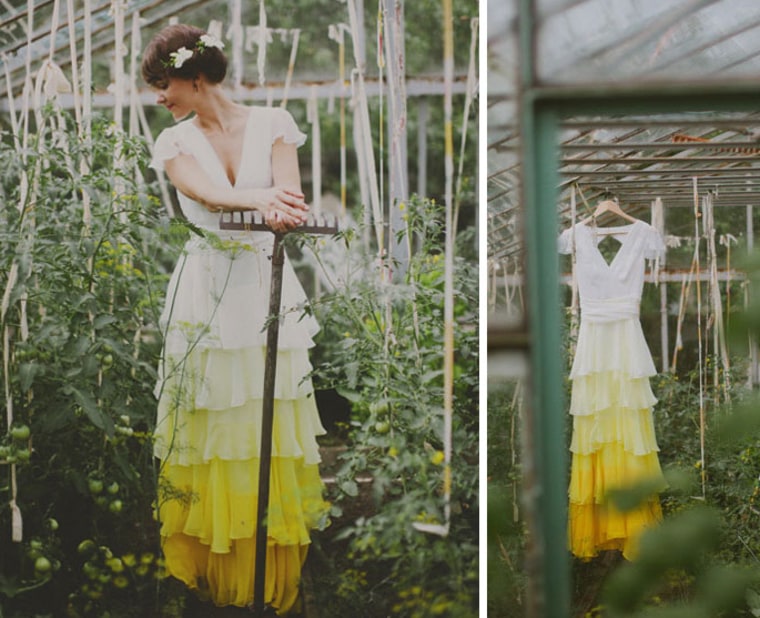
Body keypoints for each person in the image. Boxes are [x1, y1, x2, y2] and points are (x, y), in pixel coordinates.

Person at [142, 23, 329, 614]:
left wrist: (281, 206)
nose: (158, 96)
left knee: (266, 414)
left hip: (263, 282)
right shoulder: (173, 144)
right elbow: (207, 195)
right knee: (209, 423)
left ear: (196, 78)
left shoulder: (274, 123)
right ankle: (212, 561)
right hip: (205, 289)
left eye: (162, 83)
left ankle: (266, 560)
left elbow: (290, 196)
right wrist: (261, 199)